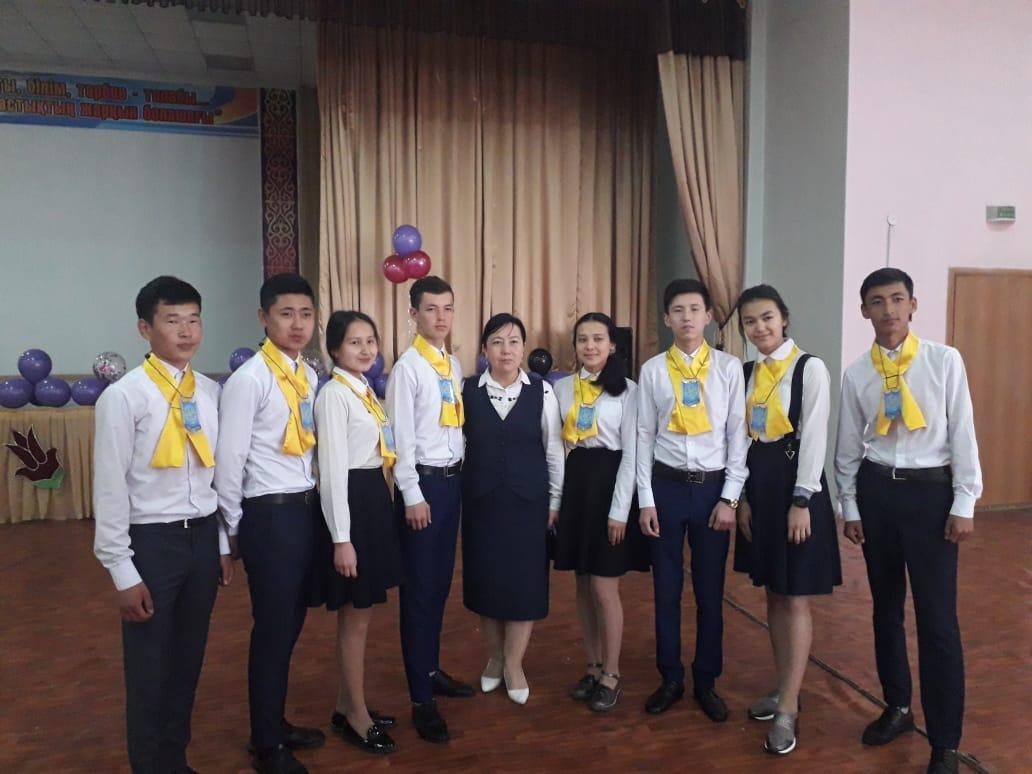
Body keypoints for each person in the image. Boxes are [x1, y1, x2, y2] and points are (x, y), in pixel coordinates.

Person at [835, 268, 981, 774]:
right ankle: (897, 706)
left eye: (898, 299)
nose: (889, 310)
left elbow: (963, 432)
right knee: (886, 610)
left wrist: (964, 501)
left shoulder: (944, 360)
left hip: (931, 496)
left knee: (938, 621)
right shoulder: (857, 373)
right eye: (877, 301)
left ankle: (945, 741)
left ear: (913, 305)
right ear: (864, 311)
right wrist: (850, 506)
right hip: (878, 493)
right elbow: (848, 446)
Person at [93, 275, 233, 773]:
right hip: (151, 544)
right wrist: (121, 571)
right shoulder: (124, 397)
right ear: (144, 328)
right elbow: (109, 488)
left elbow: (216, 475)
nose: (186, 331)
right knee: (150, 669)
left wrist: (221, 544)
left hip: (202, 539)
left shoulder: (210, 392)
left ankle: (176, 760)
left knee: (188, 662)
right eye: (172, 321)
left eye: (194, 320)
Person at [215, 272, 325, 774]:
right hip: (268, 515)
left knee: (290, 626)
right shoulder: (249, 380)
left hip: (302, 510)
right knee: (273, 630)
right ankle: (265, 746)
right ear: (263, 318)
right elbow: (230, 460)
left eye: (306, 314)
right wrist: (233, 529)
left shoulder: (307, 375)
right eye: (286, 314)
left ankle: (274, 723)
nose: (297, 324)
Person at [730, 284, 842, 755]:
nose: (760, 328)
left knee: (795, 597)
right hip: (760, 489)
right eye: (750, 322)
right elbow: (741, 439)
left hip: (798, 488)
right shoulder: (747, 372)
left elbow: (815, 436)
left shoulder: (809, 368)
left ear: (784, 318)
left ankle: (790, 707)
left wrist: (802, 500)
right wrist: (742, 499)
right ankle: (783, 687)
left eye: (767, 318)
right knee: (774, 594)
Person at [636, 278, 749, 722]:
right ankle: (670, 677)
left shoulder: (728, 368)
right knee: (665, 589)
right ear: (667, 319)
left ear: (709, 316)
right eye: (678, 310)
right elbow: (643, 436)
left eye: (695, 309)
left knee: (709, 591)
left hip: (711, 492)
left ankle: (706, 679)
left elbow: (737, 436)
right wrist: (646, 500)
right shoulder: (652, 371)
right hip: (665, 487)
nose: (687, 318)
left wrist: (730, 498)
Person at [385, 276, 474, 745]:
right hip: (422, 488)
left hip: (451, 483)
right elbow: (399, 438)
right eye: (431, 309)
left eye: (448, 308)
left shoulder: (451, 364)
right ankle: (420, 698)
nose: (441, 317)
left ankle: (431, 669)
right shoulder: (408, 368)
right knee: (419, 592)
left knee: (438, 586)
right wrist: (412, 494)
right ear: (413, 314)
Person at [460, 313, 564, 705]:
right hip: (482, 503)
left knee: (524, 584)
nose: (506, 350)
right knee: (487, 581)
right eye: (497, 342)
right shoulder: (467, 390)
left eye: (514, 342)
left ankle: (515, 664)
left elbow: (553, 450)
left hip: (528, 503)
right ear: (485, 349)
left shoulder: (542, 392)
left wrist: (555, 500)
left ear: (524, 349)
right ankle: (494, 657)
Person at [314, 311, 404, 755]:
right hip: (351, 503)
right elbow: (331, 471)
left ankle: (346, 703)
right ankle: (356, 715)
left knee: (362, 612)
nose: (366, 349)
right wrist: (342, 538)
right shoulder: (334, 395)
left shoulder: (363, 389)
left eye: (371, 340)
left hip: (371, 499)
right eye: (354, 342)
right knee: (355, 615)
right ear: (334, 349)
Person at [553, 312, 649, 712]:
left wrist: (620, 511)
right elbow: (556, 449)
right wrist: (555, 501)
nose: (589, 346)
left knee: (603, 587)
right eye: (582, 339)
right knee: (581, 583)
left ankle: (612, 672)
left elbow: (632, 454)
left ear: (612, 345)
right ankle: (592, 666)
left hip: (611, 486)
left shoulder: (629, 390)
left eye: (597, 339)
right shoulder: (561, 388)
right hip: (576, 485)